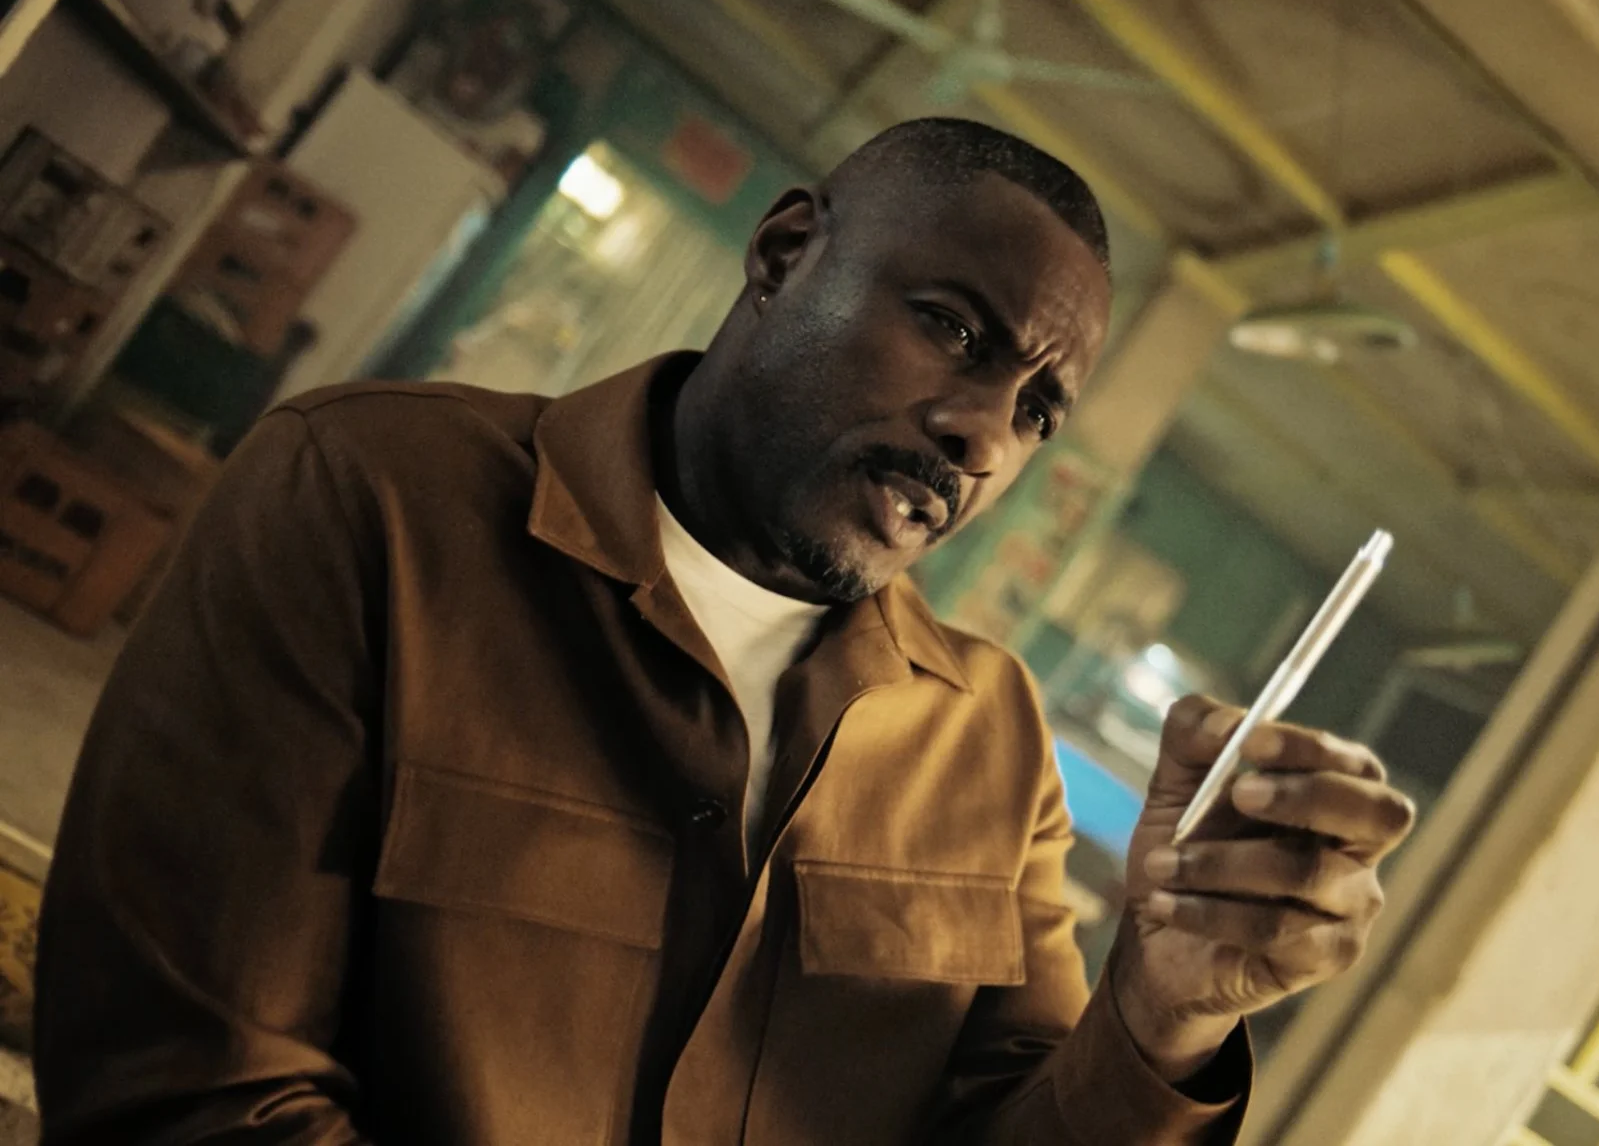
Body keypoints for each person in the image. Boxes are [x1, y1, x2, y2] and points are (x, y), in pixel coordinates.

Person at [35, 118, 1416, 1144]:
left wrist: (1167, 1010)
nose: (981, 431)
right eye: (950, 328)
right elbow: (191, 1085)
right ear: (782, 253)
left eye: (1037, 410)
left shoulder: (989, 749)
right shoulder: (373, 501)